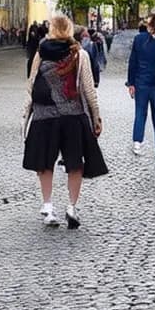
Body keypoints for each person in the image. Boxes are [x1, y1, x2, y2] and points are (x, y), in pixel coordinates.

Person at [22, 16, 106, 229]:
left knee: (44, 163)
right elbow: (88, 90)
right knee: (75, 163)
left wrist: (25, 115)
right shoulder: (80, 54)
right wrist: (96, 116)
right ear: (69, 30)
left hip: (44, 116)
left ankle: (48, 207)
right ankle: (71, 206)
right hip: (72, 116)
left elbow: (31, 86)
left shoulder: (40, 54)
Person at [126, 14, 155, 173]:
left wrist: (131, 82)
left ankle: (137, 141)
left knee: (140, 113)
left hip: (141, 83)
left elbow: (133, 62)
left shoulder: (139, 40)